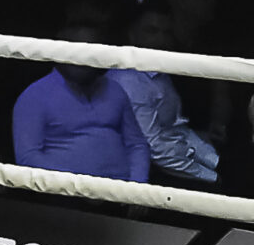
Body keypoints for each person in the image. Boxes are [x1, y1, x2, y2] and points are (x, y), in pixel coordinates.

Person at [12, 23, 149, 182]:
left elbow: (137, 144)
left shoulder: (115, 89)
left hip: (121, 189)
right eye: (76, 51)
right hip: (65, 191)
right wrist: (75, 185)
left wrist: (137, 184)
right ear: (59, 52)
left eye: (90, 52)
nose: (83, 59)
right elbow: (28, 157)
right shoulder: (34, 95)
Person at [108, 10, 219, 188]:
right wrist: (209, 177)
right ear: (132, 35)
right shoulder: (129, 80)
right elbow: (155, 149)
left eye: (166, 32)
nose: (161, 40)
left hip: (175, 162)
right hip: (141, 175)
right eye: (151, 31)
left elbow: (177, 129)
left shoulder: (158, 72)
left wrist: (214, 161)